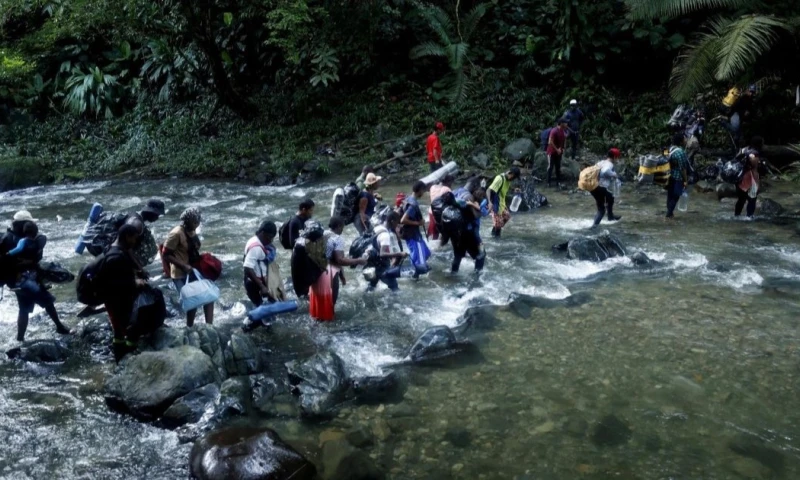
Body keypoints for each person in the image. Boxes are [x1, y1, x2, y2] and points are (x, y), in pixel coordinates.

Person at [0, 211, 71, 342]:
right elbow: (6, 261)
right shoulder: (9, 239)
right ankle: (59, 326)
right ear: (20, 225)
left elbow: (35, 258)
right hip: (20, 280)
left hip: (24, 278)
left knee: (24, 308)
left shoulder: (21, 238)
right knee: (47, 301)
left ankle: (20, 339)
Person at [99, 223, 149, 362]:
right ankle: (125, 359)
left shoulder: (116, 250)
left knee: (119, 330)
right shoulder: (116, 256)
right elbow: (115, 282)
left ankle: (122, 357)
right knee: (128, 329)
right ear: (127, 237)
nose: (135, 242)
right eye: (133, 238)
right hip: (117, 301)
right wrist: (135, 283)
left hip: (115, 300)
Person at [309, 216, 367, 321]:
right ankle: (328, 328)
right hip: (328, 274)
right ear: (339, 226)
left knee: (318, 304)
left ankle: (316, 325)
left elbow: (331, 257)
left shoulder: (322, 234)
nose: (342, 230)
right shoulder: (337, 238)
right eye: (343, 228)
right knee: (331, 303)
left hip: (314, 272)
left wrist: (342, 275)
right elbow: (340, 260)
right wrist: (359, 260)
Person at [163, 207, 214, 326]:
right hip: (180, 273)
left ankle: (209, 327)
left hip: (193, 270)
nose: (197, 223)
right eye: (194, 221)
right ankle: (189, 326)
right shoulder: (176, 233)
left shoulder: (192, 230)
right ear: (186, 221)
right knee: (192, 300)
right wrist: (183, 265)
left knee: (209, 296)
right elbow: (166, 255)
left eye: (198, 221)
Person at [367, 211, 408, 292]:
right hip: (381, 264)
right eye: (397, 222)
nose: (397, 225)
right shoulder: (385, 236)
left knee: (372, 285)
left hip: (373, 262)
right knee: (394, 287)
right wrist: (400, 253)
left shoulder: (378, 228)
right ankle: (398, 303)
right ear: (392, 221)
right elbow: (382, 254)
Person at [451, 184, 487, 274]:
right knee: (482, 254)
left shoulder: (460, 198)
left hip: (457, 233)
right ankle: (477, 276)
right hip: (470, 235)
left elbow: (455, 201)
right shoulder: (473, 205)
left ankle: (453, 274)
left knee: (458, 257)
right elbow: (480, 214)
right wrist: (475, 205)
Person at [243, 220, 279, 307]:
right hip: (255, 284)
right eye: (269, 237)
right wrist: (262, 287)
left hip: (257, 281)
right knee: (260, 310)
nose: (271, 240)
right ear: (263, 233)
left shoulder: (254, 240)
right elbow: (247, 267)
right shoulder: (256, 247)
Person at [400, 181, 432, 278]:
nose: (424, 193)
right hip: (413, 235)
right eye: (424, 190)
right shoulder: (413, 204)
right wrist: (418, 223)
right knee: (420, 262)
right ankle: (415, 278)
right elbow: (403, 220)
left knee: (426, 253)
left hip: (413, 234)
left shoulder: (408, 198)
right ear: (420, 190)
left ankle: (413, 270)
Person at [590, 148, 622, 228]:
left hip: (593, 186)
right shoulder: (609, 164)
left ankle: (610, 217)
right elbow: (605, 171)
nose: (617, 159)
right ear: (614, 157)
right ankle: (594, 227)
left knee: (610, 197)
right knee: (601, 209)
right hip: (600, 187)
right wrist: (613, 174)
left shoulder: (601, 162)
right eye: (617, 157)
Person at [487, 167, 521, 238]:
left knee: (507, 216)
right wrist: (490, 203)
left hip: (502, 203)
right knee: (498, 226)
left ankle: (494, 229)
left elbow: (504, 187)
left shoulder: (507, 179)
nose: (513, 179)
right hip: (496, 205)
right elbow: (488, 190)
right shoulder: (499, 179)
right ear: (511, 174)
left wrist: (513, 189)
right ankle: (496, 241)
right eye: (514, 177)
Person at [734, 138, 764, 219]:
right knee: (752, 199)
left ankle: (736, 216)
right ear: (759, 144)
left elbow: (736, 158)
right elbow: (754, 170)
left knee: (741, 199)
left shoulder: (744, 149)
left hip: (739, 177)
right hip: (749, 178)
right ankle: (749, 217)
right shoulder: (755, 154)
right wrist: (757, 184)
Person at [666, 134, 689, 219]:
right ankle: (668, 214)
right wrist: (686, 181)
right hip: (678, 177)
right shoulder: (681, 152)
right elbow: (683, 168)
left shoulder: (669, 149)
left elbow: (664, 157)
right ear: (681, 141)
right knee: (676, 196)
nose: (686, 140)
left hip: (668, 176)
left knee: (670, 195)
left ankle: (670, 213)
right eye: (685, 139)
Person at [428, 174, 455, 241]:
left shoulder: (432, 187)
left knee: (434, 233)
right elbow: (452, 201)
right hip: (441, 213)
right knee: (444, 233)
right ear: (448, 181)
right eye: (451, 182)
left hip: (431, 211)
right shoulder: (447, 189)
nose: (452, 184)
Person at [547, 118, 569, 188]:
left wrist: (564, 147)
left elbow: (565, 138)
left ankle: (558, 182)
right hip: (552, 152)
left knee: (558, 167)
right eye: (565, 123)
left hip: (559, 152)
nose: (567, 124)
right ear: (561, 123)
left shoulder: (563, 131)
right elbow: (550, 141)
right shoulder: (554, 131)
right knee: (550, 167)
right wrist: (557, 149)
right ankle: (548, 182)